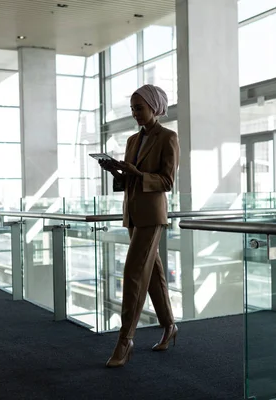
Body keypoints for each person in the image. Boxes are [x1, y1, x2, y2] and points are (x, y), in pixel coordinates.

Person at [99, 84, 180, 368]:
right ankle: (170, 326)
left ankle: (125, 340)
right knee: (154, 274)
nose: (135, 113)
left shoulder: (168, 137)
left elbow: (167, 182)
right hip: (133, 214)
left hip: (152, 216)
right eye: (133, 108)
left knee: (133, 272)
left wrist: (139, 173)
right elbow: (130, 180)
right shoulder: (133, 140)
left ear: (155, 107)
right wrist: (117, 172)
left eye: (139, 108)